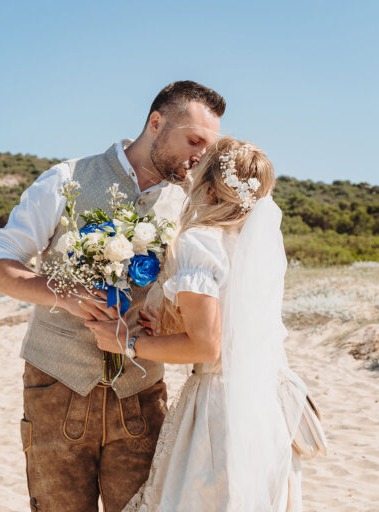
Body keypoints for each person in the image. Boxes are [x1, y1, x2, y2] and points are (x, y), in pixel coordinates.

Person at [0, 80, 225, 512]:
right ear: (156, 123)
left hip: (142, 396)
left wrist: (165, 322)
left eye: (209, 145)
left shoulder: (190, 207)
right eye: (194, 140)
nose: (201, 155)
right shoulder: (67, 179)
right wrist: (66, 294)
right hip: (56, 385)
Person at [86, 137, 315, 511]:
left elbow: (207, 346)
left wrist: (125, 342)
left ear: (208, 188)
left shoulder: (199, 242)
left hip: (221, 407)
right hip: (266, 404)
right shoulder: (248, 245)